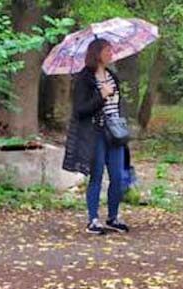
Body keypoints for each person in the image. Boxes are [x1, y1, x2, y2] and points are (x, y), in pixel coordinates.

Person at [62, 38, 134, 235]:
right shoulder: (84, 78)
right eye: (107, 50)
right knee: (97, 175)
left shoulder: (112, 76)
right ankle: (93, 219)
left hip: (115, 131)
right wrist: (100, 96)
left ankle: (113, 217)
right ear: (97, 53)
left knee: (117, 176)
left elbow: (117, 104)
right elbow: (80, 110)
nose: (111, 53)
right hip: (95, 133)